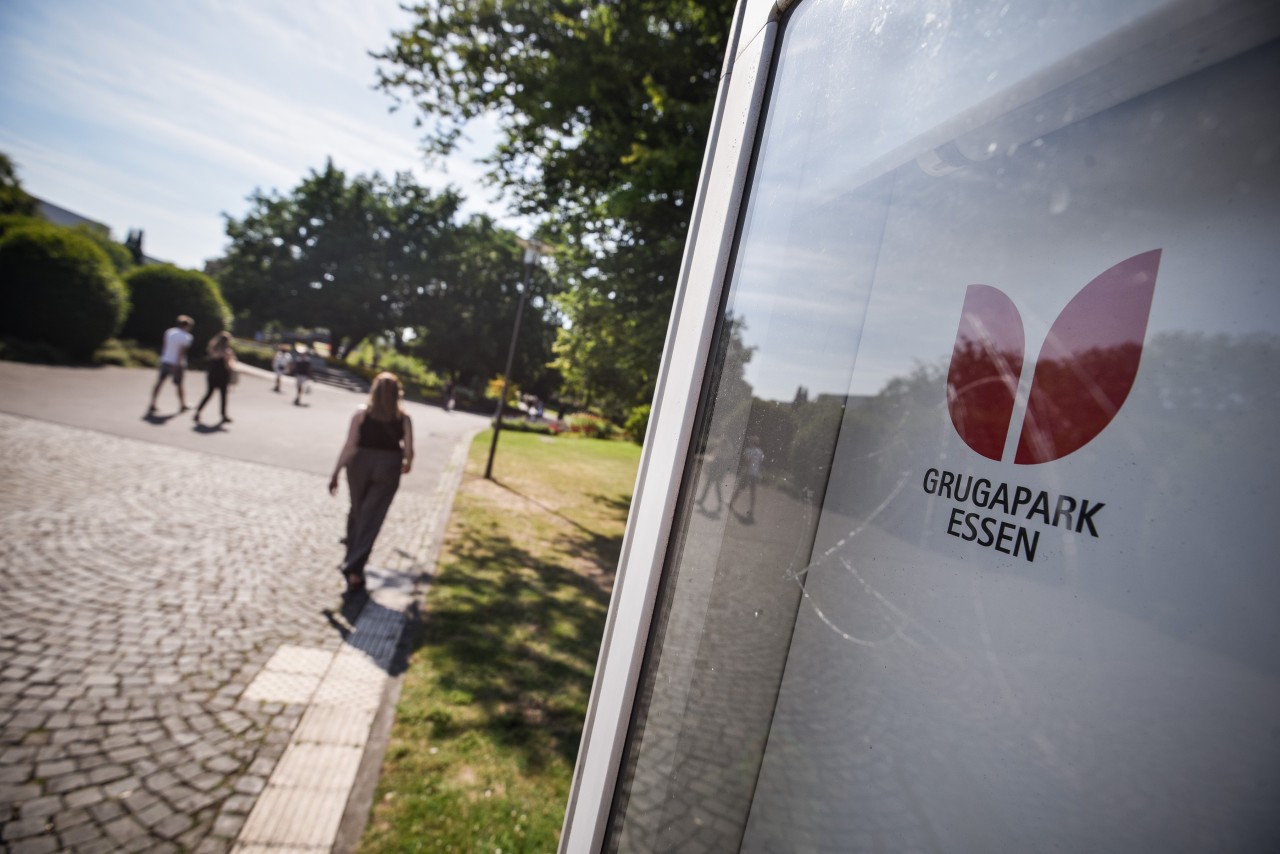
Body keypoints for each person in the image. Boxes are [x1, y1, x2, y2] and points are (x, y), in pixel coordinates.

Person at [329, 372, 415, 602]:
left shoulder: (361, 414)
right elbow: (408, 450)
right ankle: (354, 567)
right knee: (372, 516)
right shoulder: (403, 418)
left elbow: (350, 445)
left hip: (359, 464)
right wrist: (408, 464)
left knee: (357, 510)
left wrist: (336, 471)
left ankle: (351, 559)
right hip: (388, 466)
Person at [148, 315, 194, 415]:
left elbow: (165, 346)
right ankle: (183, 404)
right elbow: (181, 353)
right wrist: (176, 365)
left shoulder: (169, 332)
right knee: (179, 384)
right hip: (177, 364)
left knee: (160, 382)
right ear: (187, 325)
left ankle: (152, 403)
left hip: (166, 360)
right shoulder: (186, 337)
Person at [194, 332, 236, 425]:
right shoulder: (227, 351)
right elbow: (228, 365)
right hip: (222, 375)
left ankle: (198, 411)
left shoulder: (213, 349)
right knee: (223, 395)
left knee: (209, 393)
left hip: (212, 374)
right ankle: (223, 415)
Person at [730, 436, 766, 521]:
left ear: (751, 442)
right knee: (753, 493)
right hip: (755, 474)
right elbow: (760, 464)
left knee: (739, 488)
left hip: (748, 473)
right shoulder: (760, 452)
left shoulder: (748, 450)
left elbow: (747, 462)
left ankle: (731, 503)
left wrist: (744, 472)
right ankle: (752, 510)